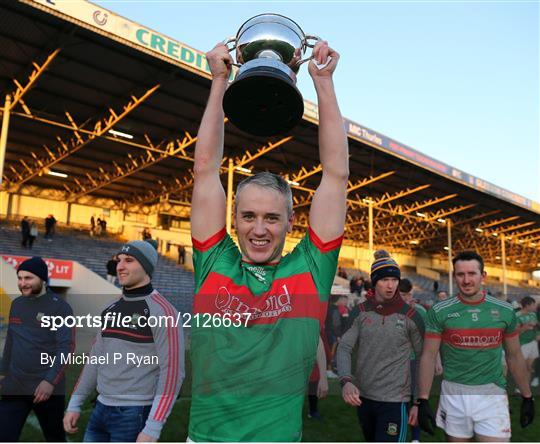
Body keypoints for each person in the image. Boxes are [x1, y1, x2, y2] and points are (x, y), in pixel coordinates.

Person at [188, 40, 348, 442]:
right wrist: (218, 82)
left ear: (291, 221)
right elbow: (205, 172)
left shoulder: (310, 270)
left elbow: (335, 177)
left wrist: (323, 84)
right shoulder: (213, 263)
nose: (259, 229)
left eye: (272, 218)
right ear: (235, 220)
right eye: (249, 216)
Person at [64, 240, 184, 442]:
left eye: (129, 260)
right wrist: (75, 403)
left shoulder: (163, 311)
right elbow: (96, 359)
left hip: (134, 414)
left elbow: (172, 373)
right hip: (100, 409)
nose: (120, 266)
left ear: (146, 267)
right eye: (119, 260)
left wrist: (153, 428)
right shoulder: (110, 307)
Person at [417, 251, 535, 442]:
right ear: (454, 276)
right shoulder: (439, 311)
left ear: (483, 276)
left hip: (492, 393)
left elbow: (514, 355)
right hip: (454, 393)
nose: (466, 280)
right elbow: (429, 356)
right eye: (460, 274)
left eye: (472, 273)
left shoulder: (504, 311)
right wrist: (422, 399)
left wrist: (527, 396)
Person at [336, 250, 424, 442]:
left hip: (395, 401)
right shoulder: (359, 313)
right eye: (384, 280)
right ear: (374, 282)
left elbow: (422, 358)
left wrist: (418, 402)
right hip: (364, 398)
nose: (391, 285)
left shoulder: (411, 316)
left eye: (394, 279)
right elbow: (344, 348)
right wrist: (346, 381)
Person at [0, 256, 74, 441]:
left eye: (28, 278)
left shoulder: (61, 308)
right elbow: (11, 340)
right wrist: (2, 372)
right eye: (20, 278)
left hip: (46, 389)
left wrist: (50, 381)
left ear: (42, 279)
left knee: (55, 438)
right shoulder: (17, 304)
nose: (22, 283)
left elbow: (67, 347)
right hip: (15, 385)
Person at [399, 278, 429, 442]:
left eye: (409, 294)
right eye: (403, 295)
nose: (406, 298)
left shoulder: (421, 312)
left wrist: (435, 359)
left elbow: (429, 338)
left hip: (415, 361)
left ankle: (415, 437)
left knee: (415, 401)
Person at [515, 296, 539, 388]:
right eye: (533, 305)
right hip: (522, 344)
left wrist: (537, 334)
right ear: (527, 305)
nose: (535, 306)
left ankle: (526, 386)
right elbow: (514, 332)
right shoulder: (517, 316)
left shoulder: (533, 314)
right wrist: (525, 327)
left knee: (529, 367)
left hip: (533, 342)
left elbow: (536, 326)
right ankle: (518, 388)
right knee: (522, 368)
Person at [307, 337, 329, 420]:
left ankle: (313, 411)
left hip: (312, 356)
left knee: (313, 381)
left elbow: (318, 339)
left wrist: (323, 378)